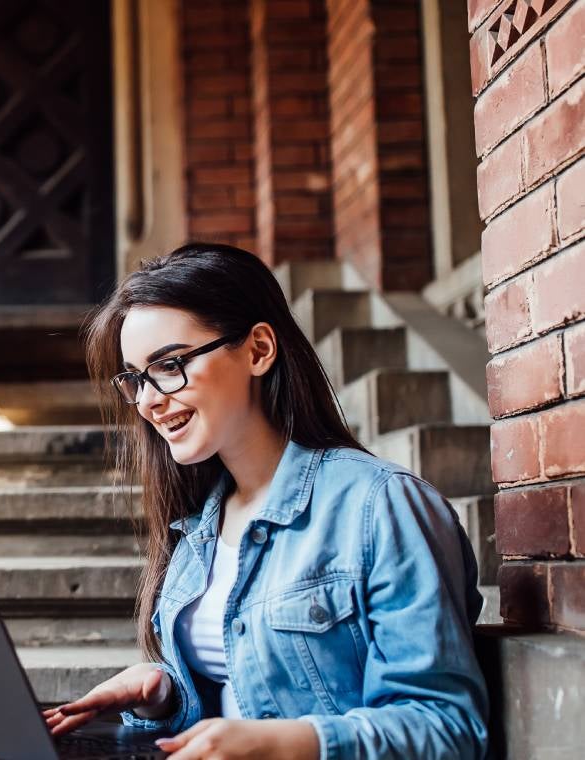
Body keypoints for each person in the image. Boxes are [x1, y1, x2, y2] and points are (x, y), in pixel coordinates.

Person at [43, 243, 488, 759]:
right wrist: (165, 695)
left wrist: (290, 743)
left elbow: (448, 728)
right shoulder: (198, 526)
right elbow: (241, 692)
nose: (147, 400)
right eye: (135, 379)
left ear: (258, 350)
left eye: (169, 365)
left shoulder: (379, 505)